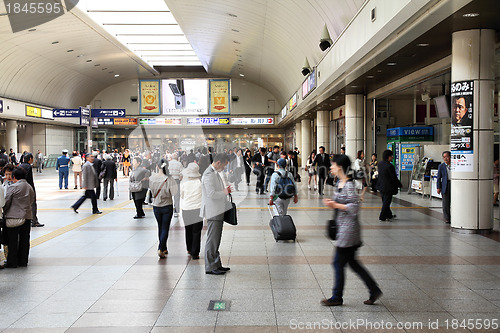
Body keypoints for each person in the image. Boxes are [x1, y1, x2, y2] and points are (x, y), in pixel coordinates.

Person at [321, 154, 382, 307]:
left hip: (348, 231)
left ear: (340, 167)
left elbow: (354, 209)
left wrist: (335, 205)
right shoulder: (340, 183)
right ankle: (373, 289)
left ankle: (337, 297)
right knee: (353, 263)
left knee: (338, 263)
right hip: (344, 228)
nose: (331, 167)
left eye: (333, 165)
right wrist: (332, 202)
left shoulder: (348, 185)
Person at [201, 153, 231, 275]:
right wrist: (224, 192)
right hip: (213, 211)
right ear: (218, 162)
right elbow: (211, 194)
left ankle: (216, 264)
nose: (224, 168)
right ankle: (210, 266)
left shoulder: (213, 172)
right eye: (224, 165)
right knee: (212, 240)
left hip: (217, 210)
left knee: (216, 239)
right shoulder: (208, 174)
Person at [4, 167, 35, 268]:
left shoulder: (13, 187)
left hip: (14, 217)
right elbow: (32, 201)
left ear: (14, 177)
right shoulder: (29, 187)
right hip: (27, 216)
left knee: (12, 240)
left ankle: (12, 262)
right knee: (25, 240)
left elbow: (7, 201)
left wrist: (5, 211)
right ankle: (23, 261)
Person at [149, 159, 178, 258]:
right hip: (167, 205)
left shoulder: (152, 178)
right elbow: (174, 193)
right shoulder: (170, 179)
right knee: (165, 228)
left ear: (157, 166)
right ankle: (160, 248)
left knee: (160, 227)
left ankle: (164, 247)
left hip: (156, 206)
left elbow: (151, 193)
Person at [180, 163, 203, 260]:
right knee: (196, 231)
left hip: (186, 209)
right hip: (198, 209)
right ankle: (195, 253)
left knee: (188, 229)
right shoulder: (200, 183)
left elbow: (182, 196)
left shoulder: (184, 184)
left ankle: (189, 249)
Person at [377, 150, 402, 222]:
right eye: (391, 156)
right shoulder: (390, 166)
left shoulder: (380, 164)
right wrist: (399, 185)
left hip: (381, 185)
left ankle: (389, 215)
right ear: (388, 156)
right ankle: (382, 217)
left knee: (384, 201)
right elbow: (393, 177)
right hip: (388, 187)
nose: (392, 157)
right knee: (387, 202)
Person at [20, 153, 43, 227]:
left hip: (21, 187)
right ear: (30, 159)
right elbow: (28, 178)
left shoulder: (20, 166)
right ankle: (34, 221)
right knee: (33, 204)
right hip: (29, 188)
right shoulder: (28, 167)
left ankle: (26, 220)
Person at [436, 151, 451, 224]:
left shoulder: (455, 165)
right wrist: (438, 187)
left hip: (454, 184)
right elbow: (438, 177)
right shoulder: (441, 166)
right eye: (444, 157)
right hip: (445, 185)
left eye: (447, 157)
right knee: (445, 203)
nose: (446, 158)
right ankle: (447, 217)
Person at [168, 153, 183, 217]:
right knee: (176, 197)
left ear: (171, 158)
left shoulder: (168, 163)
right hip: (176, 181)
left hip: (169, 181)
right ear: (177, 158)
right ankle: (176, 212)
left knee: (168, 196)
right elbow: (181, 174)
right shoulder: (179, 164)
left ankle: (169, 210)